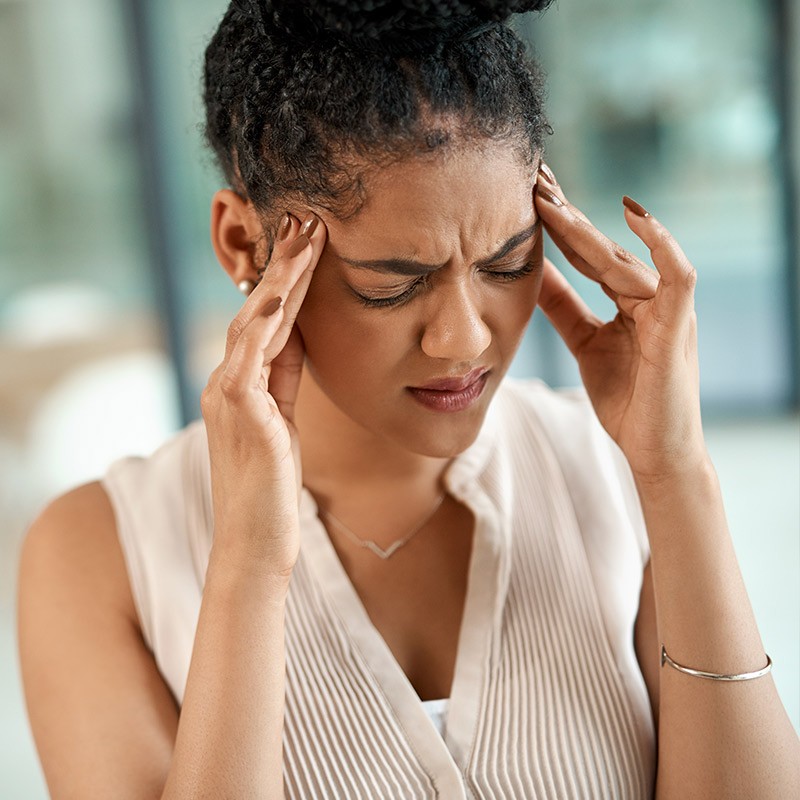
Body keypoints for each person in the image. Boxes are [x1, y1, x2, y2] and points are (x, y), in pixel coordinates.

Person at [16, 1, 799, 798]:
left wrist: (676, 474)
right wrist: (248, 570)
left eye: (506, 263)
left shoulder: (617, 471)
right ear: (243, 246)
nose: (464, 340)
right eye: (390, 286)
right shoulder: (96, 555)